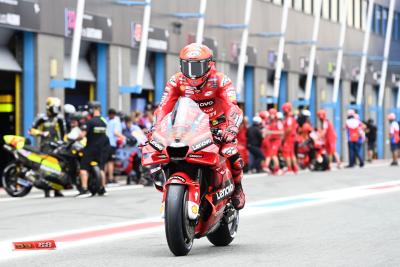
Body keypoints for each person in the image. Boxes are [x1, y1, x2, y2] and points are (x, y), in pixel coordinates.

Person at [151, 43, 245, 210]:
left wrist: (231, 129)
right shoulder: (176, 80)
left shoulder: (221, 80)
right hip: (189, 127)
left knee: (231, 153)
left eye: (197, 66)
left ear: (209, 64)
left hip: (218, 125)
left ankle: (237, 188)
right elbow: (164, 107)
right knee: (161, 150)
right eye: (187, 66)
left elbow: (232, 106)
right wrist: (155, 128)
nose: (192, 73)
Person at [29, 97, 66, 198]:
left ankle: (57, 189)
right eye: (55, 107)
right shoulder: (41, 117)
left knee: (59, 167)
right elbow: (31, 130)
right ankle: (46, 189)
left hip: (58, 146)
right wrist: (41, 133)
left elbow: (64, 133)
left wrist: (64, 143)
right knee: (45, 168)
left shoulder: (60, 118)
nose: (57, 110)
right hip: (45, 146)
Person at [76, 101, 108, 198]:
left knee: (83, 168)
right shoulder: (103, 122)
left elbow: (82, 135)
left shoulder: (90, 122)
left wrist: (75, 138)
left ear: (92, 110)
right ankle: (102, 188)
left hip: (90, 148)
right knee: (101, 168)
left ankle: (84, 189)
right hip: (101, 149)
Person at [105, 108, 125, 184]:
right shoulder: (116, 122)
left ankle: (104, 178)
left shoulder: (106, 120)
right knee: (110, 162)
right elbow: (116, 132)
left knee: (105, 161)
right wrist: (124, 137)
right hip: (111, 143)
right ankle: (110, 178)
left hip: (104, 143)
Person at [264, 108, 284, 174]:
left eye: (273, 114)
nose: (271, 115)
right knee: (271, 154)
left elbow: (282, 132)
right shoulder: (269, 122)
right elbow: (266, 130)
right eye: (270, 114)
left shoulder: (278, 122)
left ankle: (276, 168)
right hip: (271, 140)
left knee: (273, 154)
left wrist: (271, 132)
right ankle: (275, 168)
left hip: (277, 140)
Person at [281, 103, 299, 173]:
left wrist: (284, 136)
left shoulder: (289, 118)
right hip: (292, 137)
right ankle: (295, 168)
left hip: (289, 137)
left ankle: (289, 168)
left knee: (287, 153)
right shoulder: (292, 117)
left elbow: (288, 129)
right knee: (292, 153)